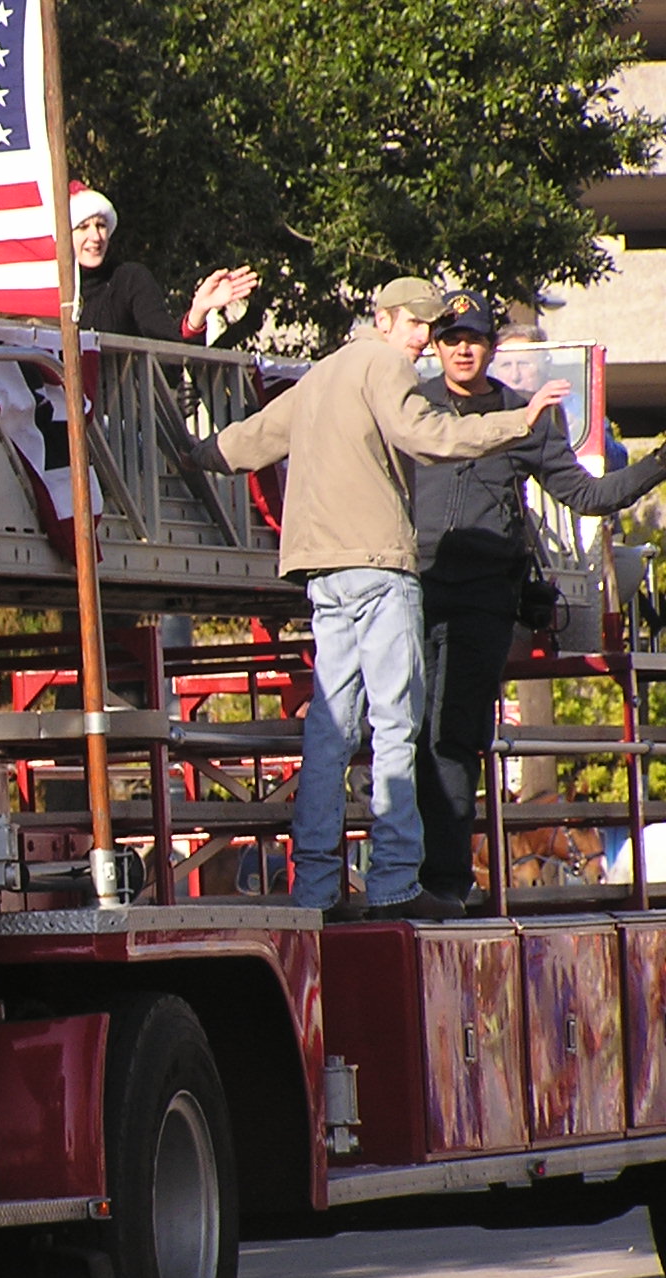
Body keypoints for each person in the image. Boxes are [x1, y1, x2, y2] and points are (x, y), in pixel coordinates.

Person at [191, 277, 573, 919]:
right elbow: (428, 435)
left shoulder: (323, 373)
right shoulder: (385, 368)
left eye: (429, 327)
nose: (424, 340)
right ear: (386, 318)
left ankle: (315, 888)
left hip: (322, 571)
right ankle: (395, 881)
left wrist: (187, 450)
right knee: (396, 725)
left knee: (329, 731)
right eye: (418, 325)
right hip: (379, 567)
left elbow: (247, 442)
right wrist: (519, 420)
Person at [412, 290, 666, 905]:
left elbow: (588, 496)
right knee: (404, 732)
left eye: (472, 337)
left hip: (484, 598)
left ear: (490, 347)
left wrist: (659, 464)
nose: (462, 348)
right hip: (412, 589)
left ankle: (441, 885)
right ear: (436, 346)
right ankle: (402, 877)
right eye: (450, 338)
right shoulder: (411, 409)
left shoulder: (526, 415)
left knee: (454, 736)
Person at [69, 183, 259, 343]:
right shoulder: (48, 290)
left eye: (101, 225)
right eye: (82, 227)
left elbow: (167, 353)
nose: (95, 236)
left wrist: (198, 311)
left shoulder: (129, 279)